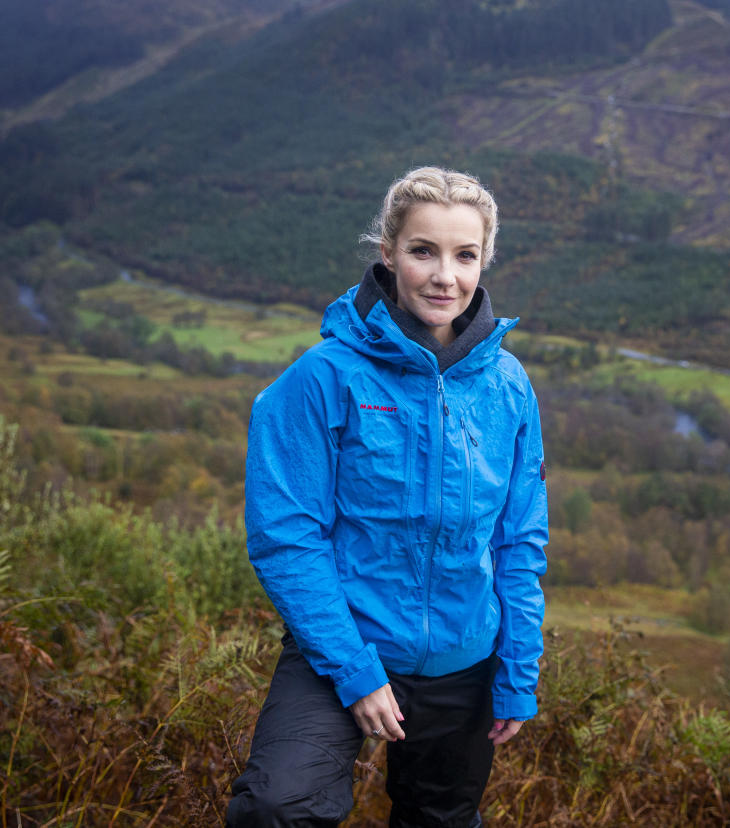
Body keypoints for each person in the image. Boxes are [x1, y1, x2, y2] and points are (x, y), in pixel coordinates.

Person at [227, 166, 549, 827]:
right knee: (275, 809)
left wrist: (518, 666)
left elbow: (518, 540)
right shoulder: (323, 378)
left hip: (467, 660)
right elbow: (287, 538)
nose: (445, 277)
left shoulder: (509, 388)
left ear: (484, 262)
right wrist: (354, 669)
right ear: (388, 253)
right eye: (422, 251)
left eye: (465, 256)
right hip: (342, 644)